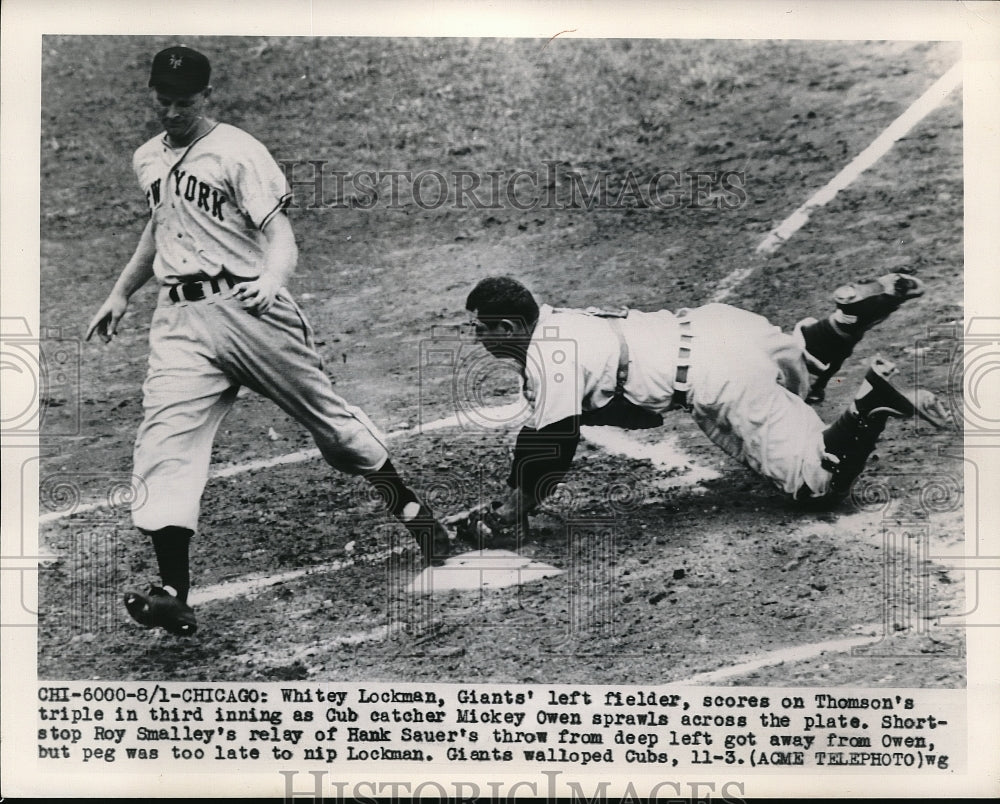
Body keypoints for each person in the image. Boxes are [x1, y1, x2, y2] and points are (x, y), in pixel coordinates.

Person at [85, 46, 453, 637]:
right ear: (152, 94)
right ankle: (174, 591)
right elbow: (162, 223)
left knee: (333, 430)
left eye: (184, 102)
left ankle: (423, 524)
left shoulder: (238, 151)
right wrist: (122, 291)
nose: (173, 112)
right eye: (164, 101)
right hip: (179, 322)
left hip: (250, 309)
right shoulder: (148, 158)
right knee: (164, 446)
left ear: (206, 97)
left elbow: (280, 235)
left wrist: (271, 280)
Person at [452, 274, 947, 541]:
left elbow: (549, 446)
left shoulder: (549, 359)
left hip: (719, 378)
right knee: (805, 376)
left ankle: (873, 402)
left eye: (481, 327)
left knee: (816, 487)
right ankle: (846, 318)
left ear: (511, 327)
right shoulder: (556, 321)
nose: (475, 336)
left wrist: (511, 513)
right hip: (721, 327)